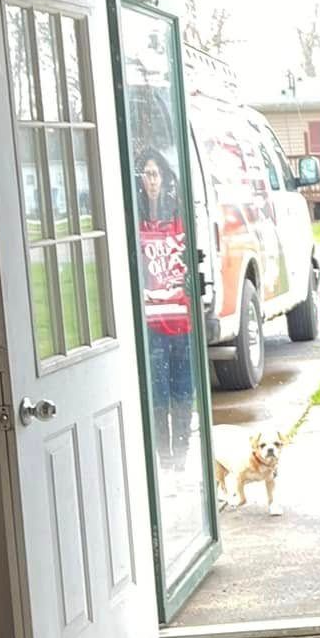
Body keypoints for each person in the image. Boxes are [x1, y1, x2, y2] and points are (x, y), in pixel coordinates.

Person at [136, 147, 195, 468]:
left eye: (156, 173)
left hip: (181, 319)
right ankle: (164, 456)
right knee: (158, 391)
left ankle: (183, 454)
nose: (152, 181)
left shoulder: (179, 217)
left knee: (183, 388)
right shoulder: (137, 219)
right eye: (147, 174)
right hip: (151, 322)